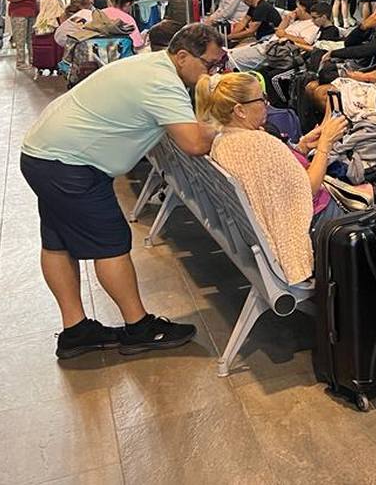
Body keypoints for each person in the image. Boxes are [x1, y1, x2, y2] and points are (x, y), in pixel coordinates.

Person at [20, 24, 225, 359]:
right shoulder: (163, 82)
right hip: (71, 165)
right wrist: (223, 131)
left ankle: (76, 330)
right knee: (111, 245)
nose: (211, 73)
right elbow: (192, 142)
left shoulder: (149, 65)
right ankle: (140, 327)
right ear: (184, 56)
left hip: (44, 152)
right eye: (209, 64)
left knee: (58, 242)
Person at [200, 72, 361, 283]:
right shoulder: (260, 143)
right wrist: (326, 144)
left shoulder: (224, 141)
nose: (266, 104)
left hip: (266, 233)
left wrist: (301, 147)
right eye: (260, 99)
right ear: (239, 110)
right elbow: (308, 188)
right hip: (316, 222)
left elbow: (276, 175)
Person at [4, 0, 42, 70]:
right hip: (18, 12)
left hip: (32, 11)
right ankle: (20, 62)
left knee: (32, 38)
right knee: (20, 38)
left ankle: (33, 60)